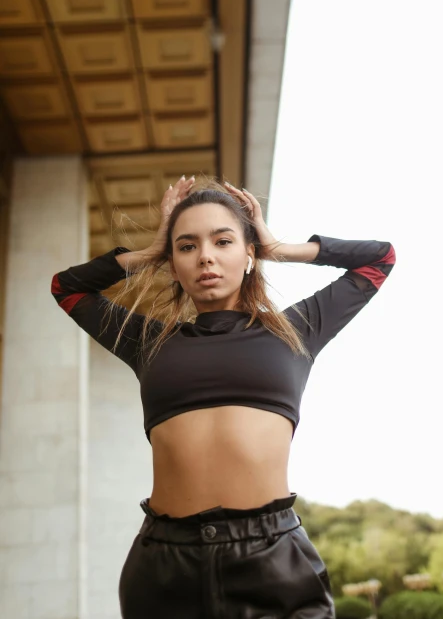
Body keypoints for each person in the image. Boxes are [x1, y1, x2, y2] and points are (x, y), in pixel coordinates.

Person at [51, 175, 396, 618]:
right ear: (173, 263)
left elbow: (379, 259)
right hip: (166, 567)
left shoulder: (295, 330)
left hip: (272, 561)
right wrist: (153, 251)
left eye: (223, 241)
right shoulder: (147, 341)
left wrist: (277, 246)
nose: (206, 257)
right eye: (187, 246)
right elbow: (68, 288)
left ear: (248, 254)